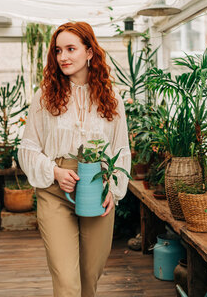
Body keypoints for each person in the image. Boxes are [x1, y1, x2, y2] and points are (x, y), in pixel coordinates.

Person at [17, 21, 131, 297]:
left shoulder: (112, 99)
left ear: (90, 52)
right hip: (55, 191)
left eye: (71, 48)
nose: (63, 57)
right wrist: (54, 171)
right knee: (67, 282)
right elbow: (28, 148)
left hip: (98, 191)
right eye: (58, 50)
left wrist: (112, 191)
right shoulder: (44, 98)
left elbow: (122, 149)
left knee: (90, 277)